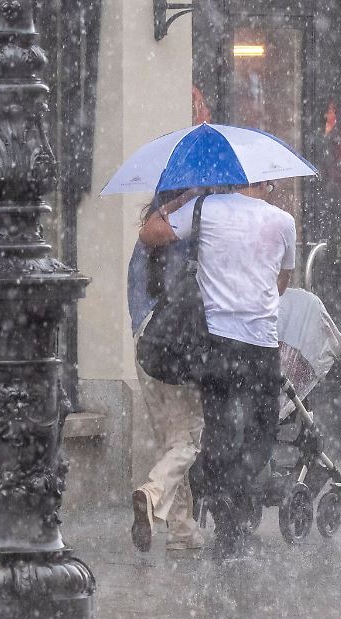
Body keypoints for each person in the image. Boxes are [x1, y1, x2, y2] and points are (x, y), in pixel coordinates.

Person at [139, 181, 295, 559]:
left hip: (216, 342)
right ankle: (233, 501)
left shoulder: (205, 209)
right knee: (261, 430)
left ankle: (224, 505)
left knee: (220, 428)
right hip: (260, 343)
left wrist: (183, 201)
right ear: (265, 182)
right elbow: (283, 282)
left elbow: (150, 233)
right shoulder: (283, 221)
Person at [128, 187, 208, 553]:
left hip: (143, 342)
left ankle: (182, 530)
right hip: (177, 343)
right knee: (188, 439)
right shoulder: (189, 236)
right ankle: (151, 492)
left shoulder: (145, 238)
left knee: (170, 440)